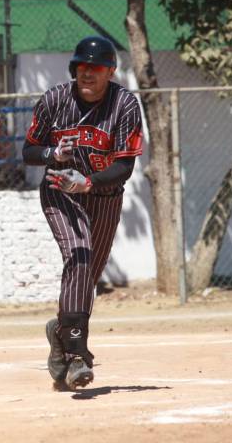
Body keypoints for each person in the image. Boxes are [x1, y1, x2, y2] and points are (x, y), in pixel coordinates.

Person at [22, 36, 143, 390]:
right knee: (79, 256)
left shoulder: (124, 104)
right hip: (60, 191)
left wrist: (88, 183)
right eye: (82, 67)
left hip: (104, 195)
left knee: (87, 277)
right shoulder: (55, 99)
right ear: (74, 69)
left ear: (110, 71)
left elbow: (124, 166)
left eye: (96, 68)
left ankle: (61, 331)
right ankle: (77, 356)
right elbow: (29, 149)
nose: (87, 73)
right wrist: (52, 155)